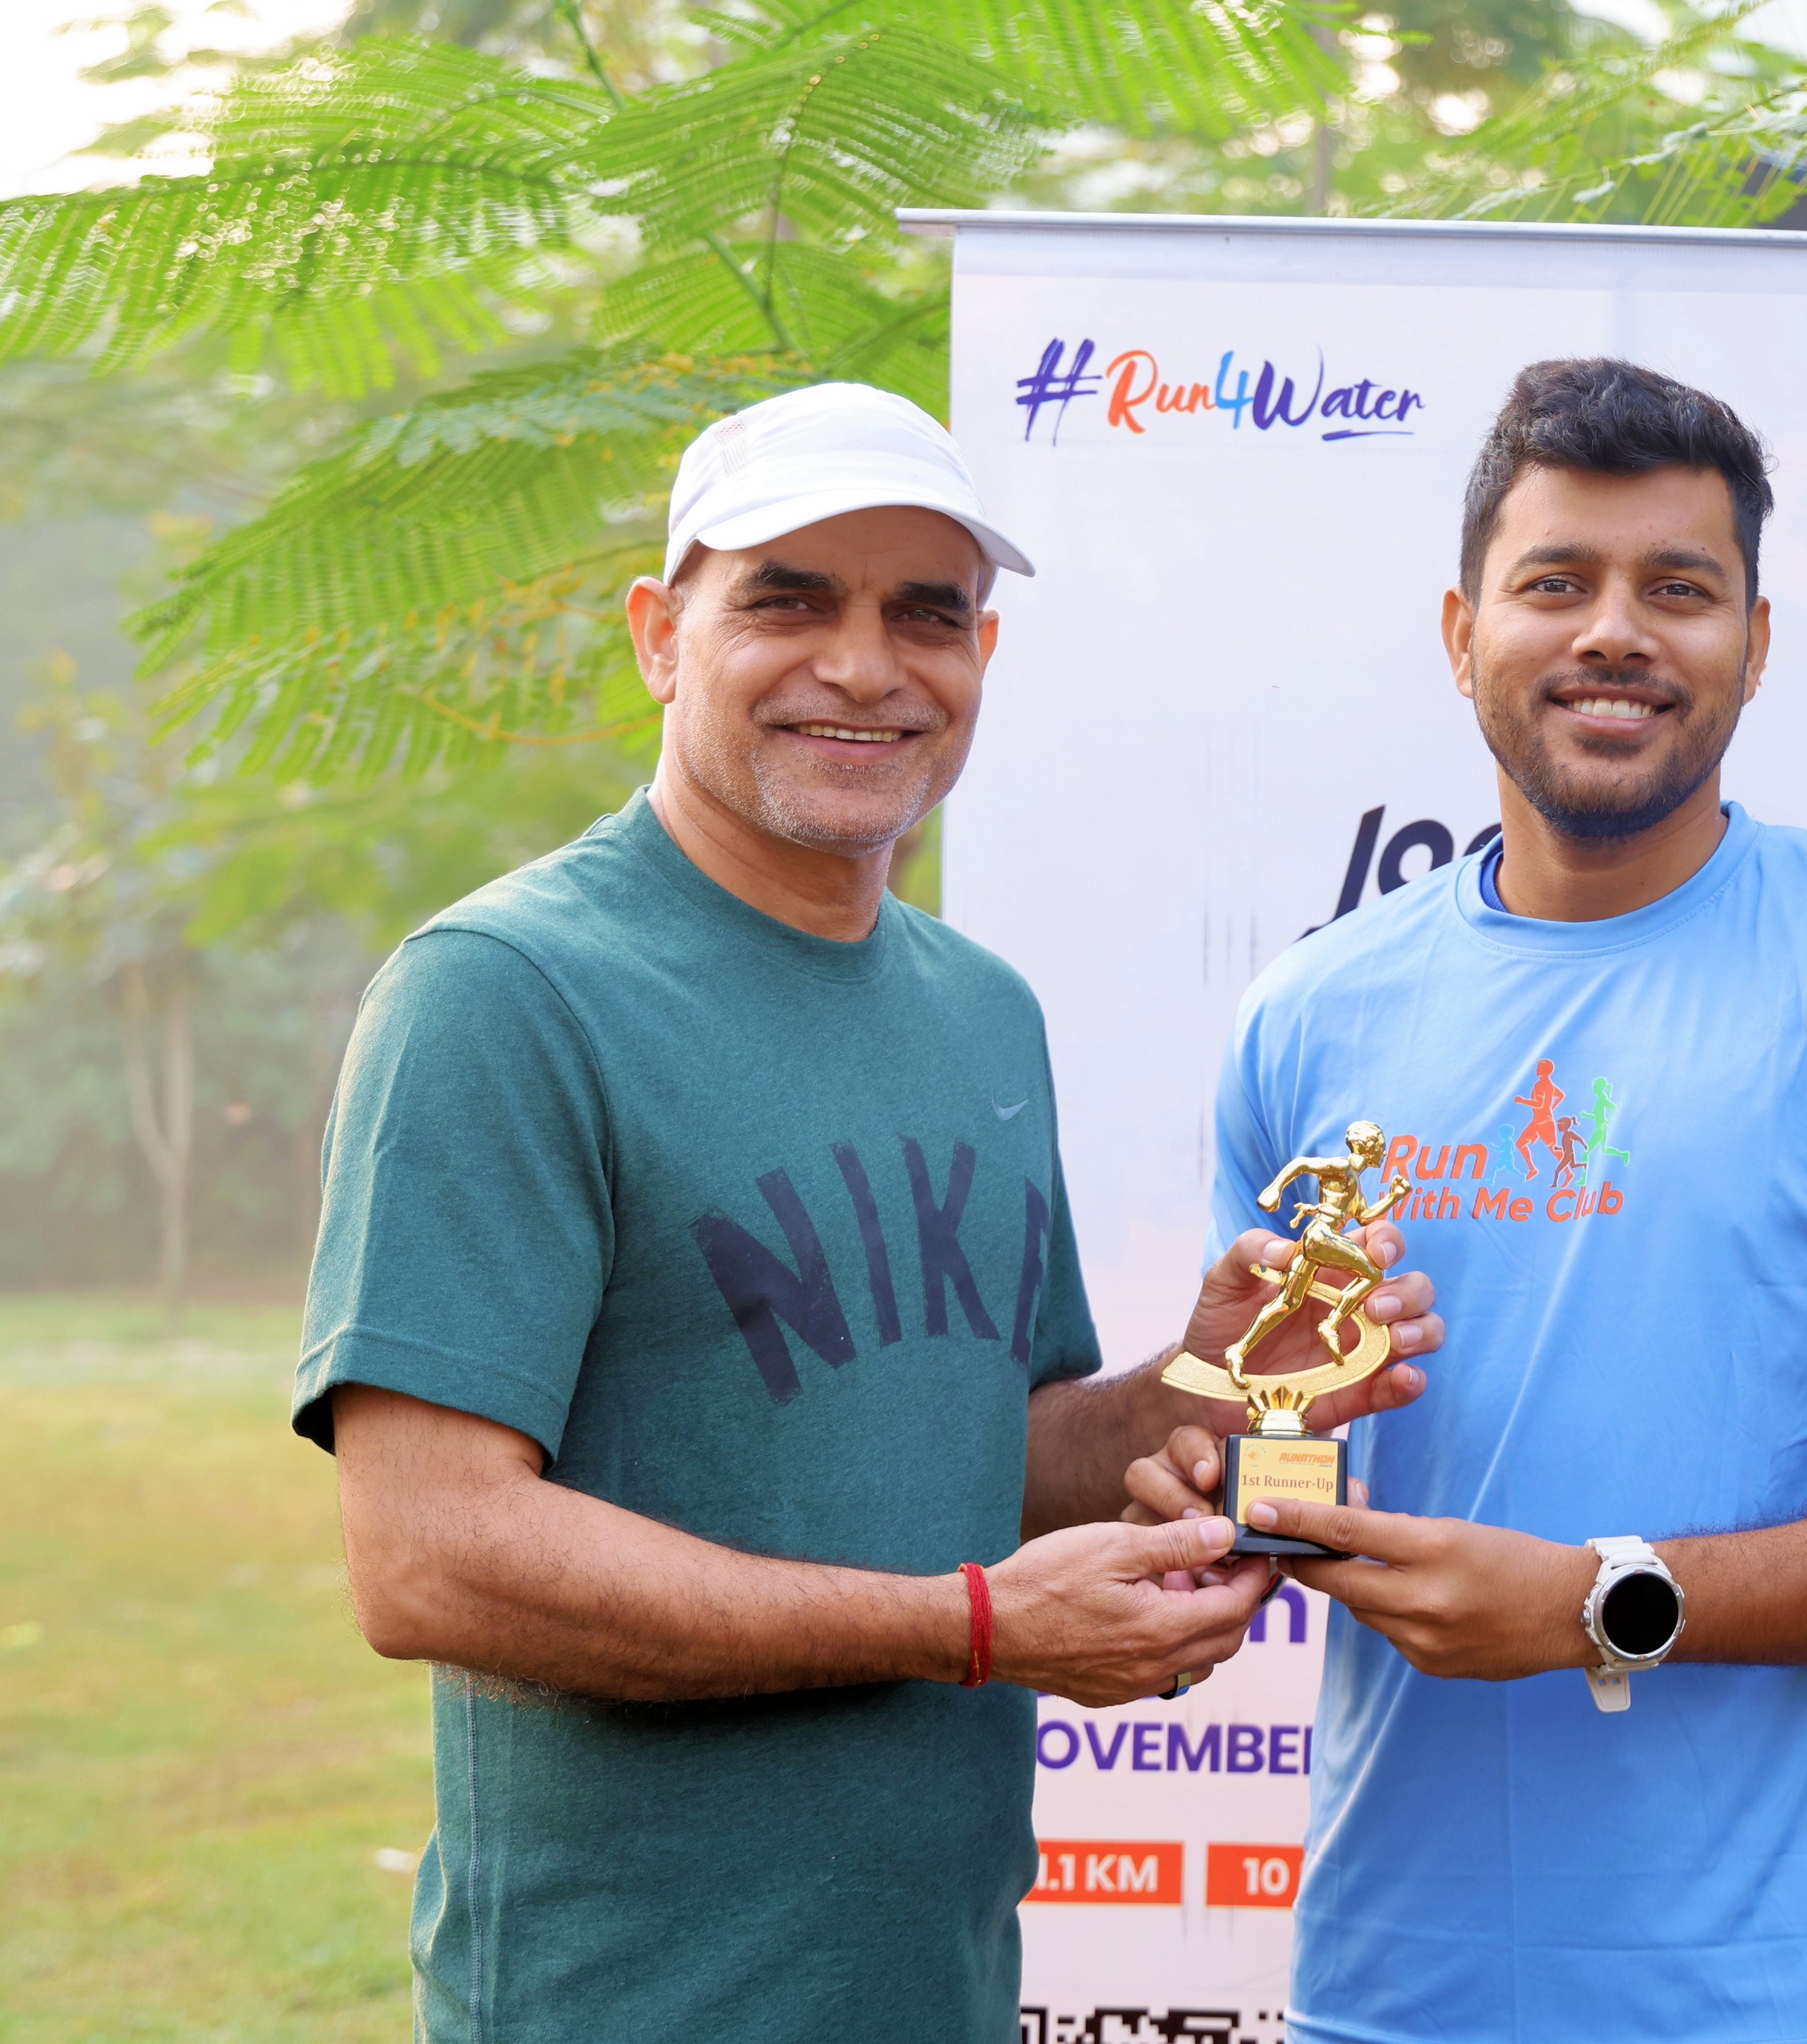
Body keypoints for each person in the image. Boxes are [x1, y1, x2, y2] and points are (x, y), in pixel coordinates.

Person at [296, 381, 1443, 2043]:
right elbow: (431, 1559)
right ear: (660, 636)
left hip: (938, 1990)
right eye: (788, 601)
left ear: (984, 656)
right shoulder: (503, 993)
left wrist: (1202, 1389)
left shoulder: (980, 1011)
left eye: (926, 613)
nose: (863, 665)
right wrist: (973, 1627)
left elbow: (983, 1455)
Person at [1127, 358, 1807, 2044]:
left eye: (1678, 588)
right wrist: (1212, 1492)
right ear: (1462, 634)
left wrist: (1599, 1599)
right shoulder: (1311, 1012)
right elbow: (1285, 1446)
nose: (1614, 633)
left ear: (1756, 641)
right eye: (1556, 582)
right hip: (1397, 1995)